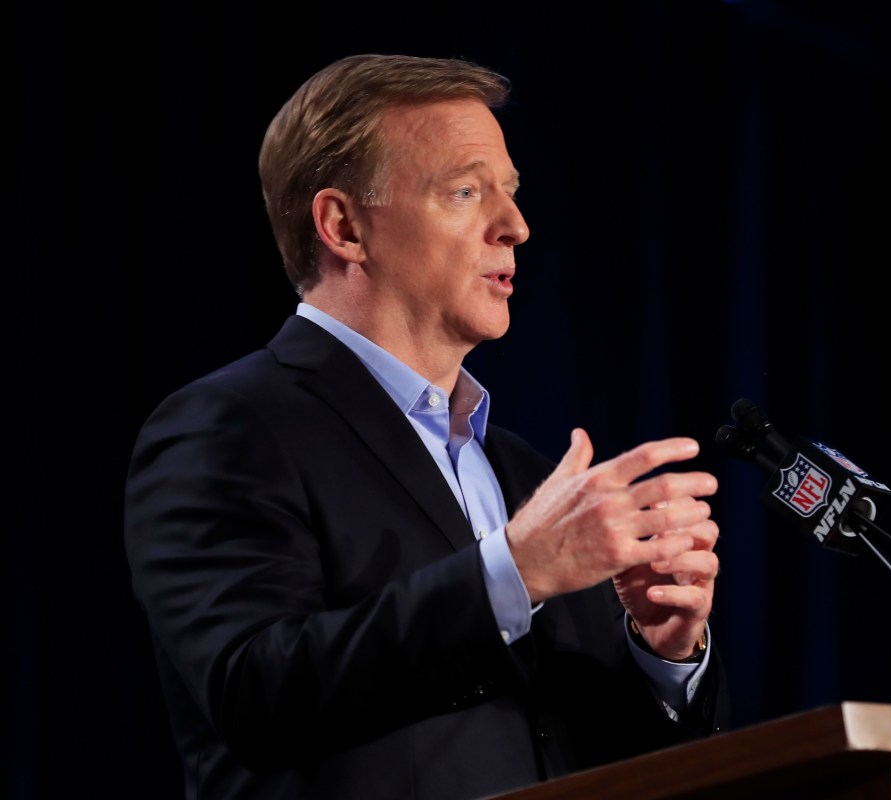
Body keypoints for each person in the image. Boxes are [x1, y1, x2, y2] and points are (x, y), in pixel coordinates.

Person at [124, 53, 728, 799]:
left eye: (510, 192)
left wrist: (662, 656)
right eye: (465, 192)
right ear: (345, 226)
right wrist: (514, 573)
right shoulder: (226, 428)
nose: (515, 227)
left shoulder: (524, 474)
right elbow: (255, 696)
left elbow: (588, 755)